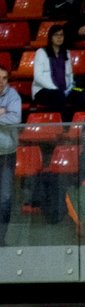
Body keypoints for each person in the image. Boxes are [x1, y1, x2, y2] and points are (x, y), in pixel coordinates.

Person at [32, 23, 85, 117]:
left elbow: (70, 75)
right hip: (44, 91)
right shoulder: (41, 52)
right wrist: (56, 89)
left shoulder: (66, 53)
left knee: (81, 93)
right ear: (50, 37)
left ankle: (78, 125)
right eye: (56, 35)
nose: (59, 37)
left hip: (65, 90)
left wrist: (70, 88)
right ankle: (62, 126)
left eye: (61, 35)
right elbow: (37, 77)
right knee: (58, 96)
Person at [0, 66, 20, 247]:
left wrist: (7, 114)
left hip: (7, 154)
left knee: (5, 198)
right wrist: (2, 113)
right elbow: (8, 117)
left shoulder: (13, 95)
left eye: (4, 78)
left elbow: (15, 119)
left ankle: (1, 238)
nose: (1, 82)